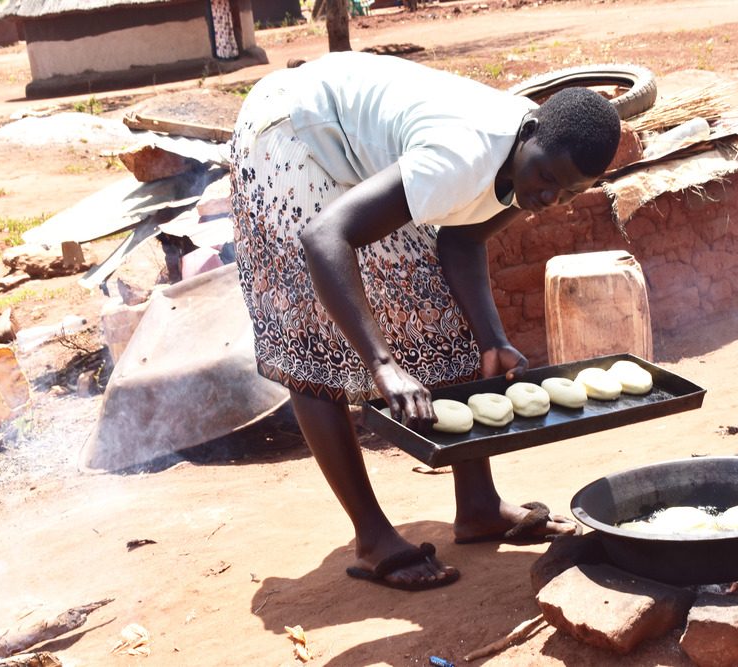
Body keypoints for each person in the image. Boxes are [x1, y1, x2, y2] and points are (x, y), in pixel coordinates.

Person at [230, 51, 621, 591]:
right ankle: (372, 539)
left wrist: (492, 338)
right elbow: (325, 238)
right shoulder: (461, 156)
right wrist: (382, 363)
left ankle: (478, 506)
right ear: (528, 131)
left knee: (440, 312)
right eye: (547, 178)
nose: (549, 198)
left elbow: (462, 238)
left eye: (568, 192)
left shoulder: (530, 163)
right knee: (316, 339)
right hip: (294, 129)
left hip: (359, 144)